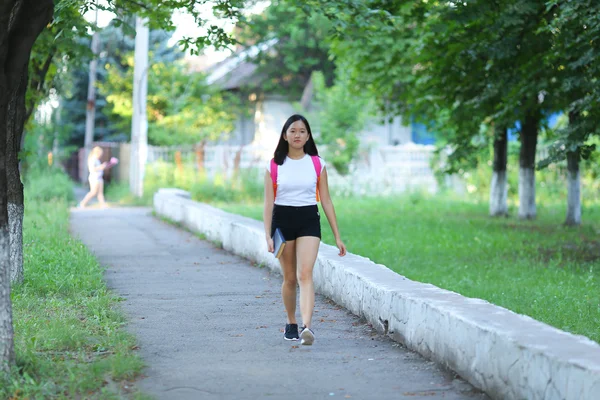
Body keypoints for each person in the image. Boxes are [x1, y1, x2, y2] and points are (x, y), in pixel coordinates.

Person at [263, 114, 347, 346]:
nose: (297, 135)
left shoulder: (317, 163)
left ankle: (307, 327)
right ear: (284, 135)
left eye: (302, 131)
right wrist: (268, 235)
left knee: (305, 274)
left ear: (308, 135)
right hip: (282, 221)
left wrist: (338, 236)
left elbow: (327, 201)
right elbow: (268, 204)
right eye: (292, 131)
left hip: (309, 218)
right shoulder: (274, 165)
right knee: (290, 278)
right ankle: (291, 321)